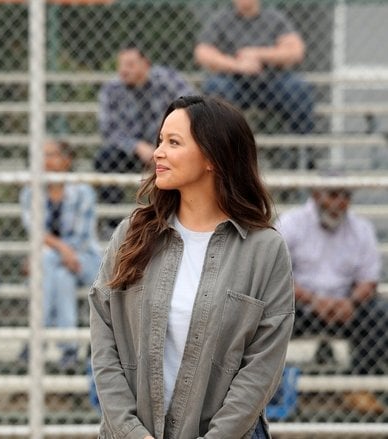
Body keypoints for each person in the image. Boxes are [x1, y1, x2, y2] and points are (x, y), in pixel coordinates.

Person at [89, 95, 294, 438]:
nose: (157, 152)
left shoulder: (265, 250)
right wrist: (130, 432)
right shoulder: (131, 234)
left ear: (212, 157)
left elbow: (262, 369)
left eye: (173, 142)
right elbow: (104, 342)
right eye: (159, 141)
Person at [275, 183, 387, 414]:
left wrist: (351, 302)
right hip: (299, 307)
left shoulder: (361, 228)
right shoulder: (291, 223)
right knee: (267, 308)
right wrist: (313, 300)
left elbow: (369, 279)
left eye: (346, 195)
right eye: (333, 195)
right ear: (316, 194)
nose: (339, 203)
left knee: (381, 312)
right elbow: (275, 275)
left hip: (345, 309)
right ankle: (270, 387)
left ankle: (358, 386)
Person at [194, 0, 315, 168]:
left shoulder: (274, 18)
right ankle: (220, 148)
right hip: (233, 81)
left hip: (272, 81)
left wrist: (259, 54)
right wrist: (238, 66)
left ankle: (302, 150)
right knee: (215, 87)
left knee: (297, 87)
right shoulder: (222, 20)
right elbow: (202, 53)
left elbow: (296, 50)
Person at [21, 139, 102, 369]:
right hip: (54, 262)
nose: (47, 160)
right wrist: (60, 250)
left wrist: (56, 251)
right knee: (60, 277)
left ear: (67, 160)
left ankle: (35, 342)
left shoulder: (83, 192)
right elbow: (34, 229)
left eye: (53, 155)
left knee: (46, 260)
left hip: (83, 258)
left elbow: (81, 237)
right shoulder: (30, 192)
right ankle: (69, 350)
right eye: (43, 155)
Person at [95, 45, 195, 207]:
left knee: (185, 153)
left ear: (145, 64)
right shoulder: (111, 89)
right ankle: (112, 222)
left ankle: (177, 210)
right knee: (105, 158)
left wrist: (164, 145)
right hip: (130, 152)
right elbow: (108, 130)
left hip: (167, 145)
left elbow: (192, 107)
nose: (123, 70)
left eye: (130, 65)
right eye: (120, 65)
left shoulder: (167, 80)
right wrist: (137, 146)